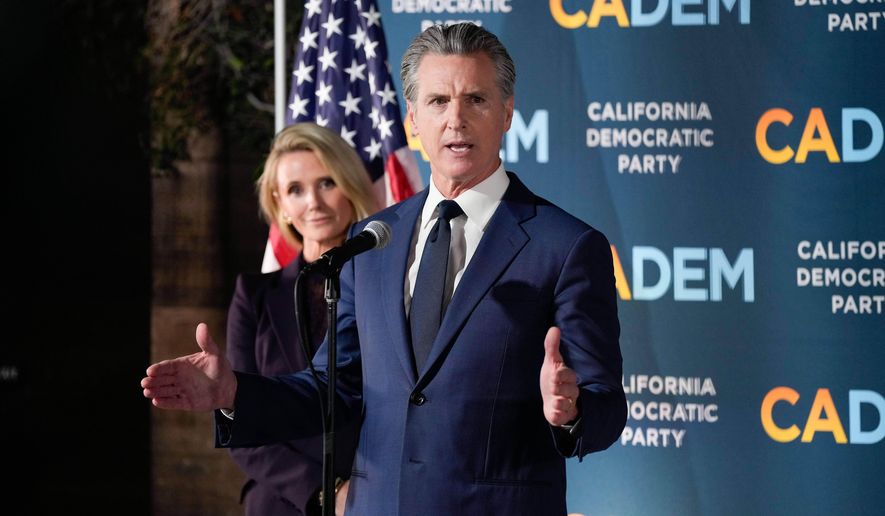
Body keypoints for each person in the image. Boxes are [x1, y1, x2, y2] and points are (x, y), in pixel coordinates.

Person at [142, 23, 626, 515]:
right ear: (413, 118)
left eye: (476, 99)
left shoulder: (566, 246)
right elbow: (333, 388)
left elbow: (606, 404)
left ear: (506, 112)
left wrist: (572, 411)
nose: (455, 119)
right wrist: (234, 392)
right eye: (438, 101)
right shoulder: (372, 240)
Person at [225, 122, 378, 516]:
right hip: (281, 502)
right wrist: (324, 493)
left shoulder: (392, 287)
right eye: (295, 189)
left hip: (376, 496)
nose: (313, 202)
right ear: (279, 202)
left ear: (350, 184)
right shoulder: (253, 295)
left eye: (327, 182)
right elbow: (239, 425)